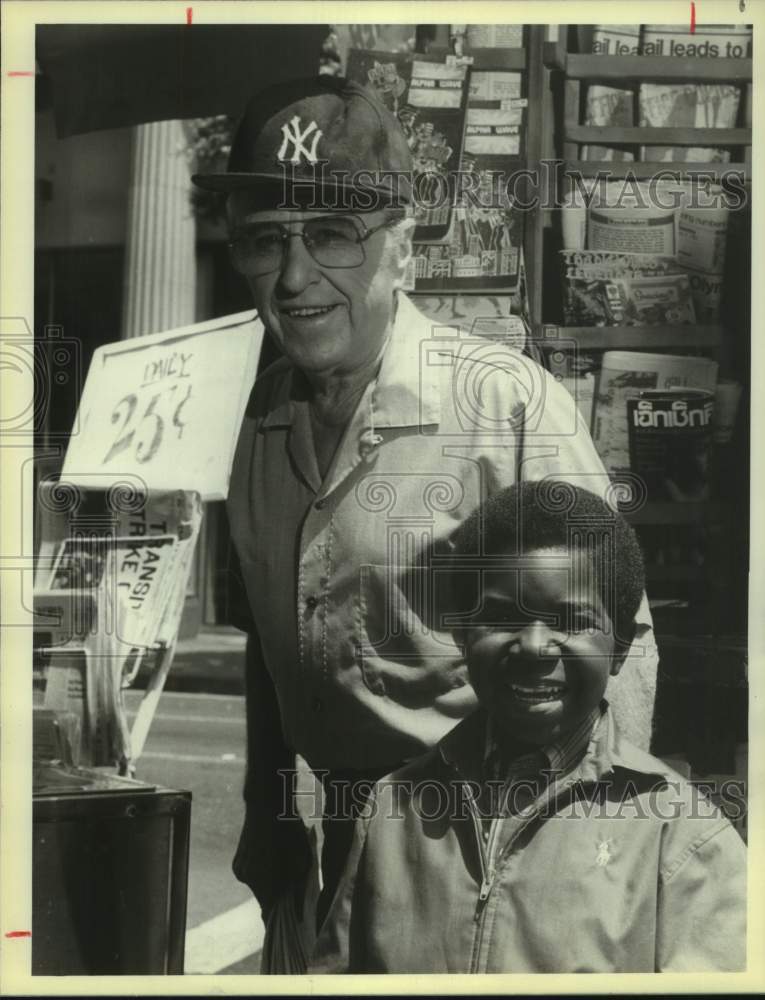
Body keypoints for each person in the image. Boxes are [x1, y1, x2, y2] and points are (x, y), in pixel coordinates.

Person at [192, 75, 659, 967]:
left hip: (490, 851)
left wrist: (597, 860)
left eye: (332, 236)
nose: (294, 279)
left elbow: (619, 640)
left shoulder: (502, 407)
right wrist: (263, 809)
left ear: (400, 249)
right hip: (328, 853)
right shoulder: (257, 423)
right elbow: (268, 629)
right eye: (264, 243)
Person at [310, 482, 746, 973]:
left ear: (620, 646)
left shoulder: (680, 835)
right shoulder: (394, 808)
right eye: (499, 616)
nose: (535, 647)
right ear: (462, 632)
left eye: (572, 621)